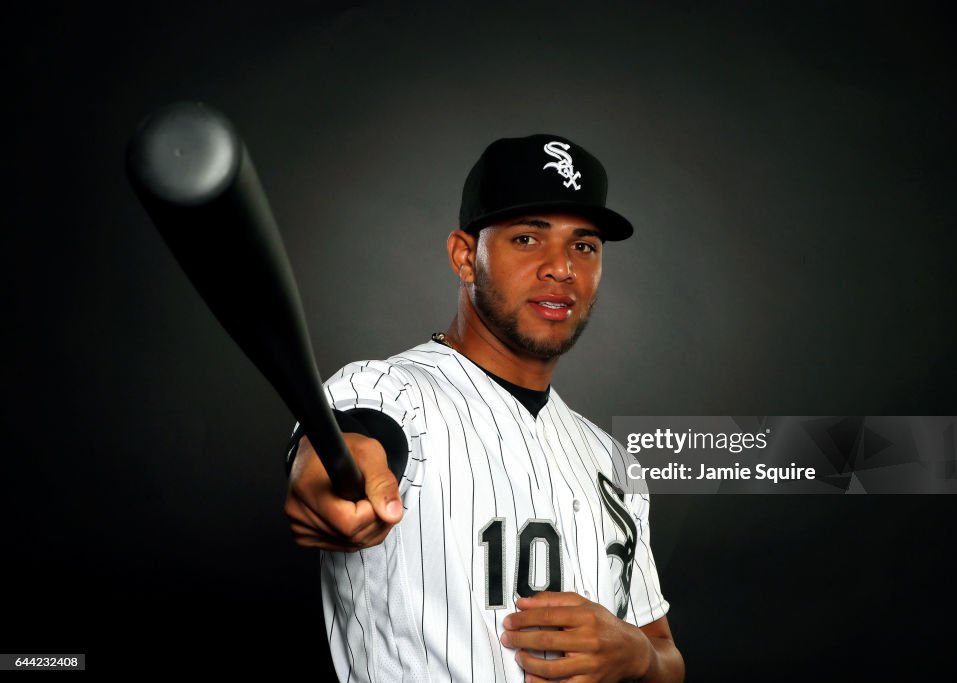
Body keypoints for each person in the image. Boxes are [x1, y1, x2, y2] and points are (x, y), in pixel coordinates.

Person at [284, 134, 685, 682]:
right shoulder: (394, 390)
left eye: (584, 246)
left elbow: (664, 653)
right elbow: (353, 440)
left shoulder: (612, 460)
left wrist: (636, 658)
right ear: (465, 256)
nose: (562, 267)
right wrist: (335, 486)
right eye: (526, 238)